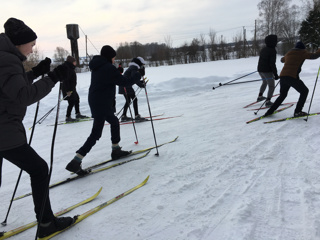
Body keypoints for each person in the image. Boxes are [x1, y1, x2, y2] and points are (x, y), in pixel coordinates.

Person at [0, 18, 74, 237]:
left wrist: (35, 73)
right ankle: (46, 224)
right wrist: (52, 77)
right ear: (19, 43)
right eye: (31, 44)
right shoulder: (8, 61)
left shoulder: (4, 58)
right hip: (4, 131)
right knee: (39, 169)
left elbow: (9, 86)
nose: (33, 48)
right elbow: (22, 95)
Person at [66, 45, 142, 175]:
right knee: (96, 133)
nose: (114, 59)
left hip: (97, 101)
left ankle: (116, 149)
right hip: (102, 103)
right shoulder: (108, 68)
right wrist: (138, 75)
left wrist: (117, 71)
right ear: (109, 57)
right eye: (113, 57)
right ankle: (76, 161)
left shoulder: (99, 66)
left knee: (114, 121)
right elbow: (125, 82)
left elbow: (110, 78)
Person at [264, 41, 320, 117]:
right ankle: (298, 112)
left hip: (283, 76)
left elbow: (282, 60)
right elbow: (315, 56)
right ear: (303, 48)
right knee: (304, 91)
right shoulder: (302, 53)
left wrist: (286, 58)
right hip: (292, 77)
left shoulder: (289, 53)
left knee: (282, 95)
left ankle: (269, 112)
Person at [119, 57, 146, 122]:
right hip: (126, 86)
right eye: (142, 64)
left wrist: (141, 82)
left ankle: (124, 116)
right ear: (139, 63)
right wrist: (141, 85)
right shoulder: (134, 68)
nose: (142, 66)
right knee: (134, 99)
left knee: (128, 100)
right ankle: (137, 116)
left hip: (123, 86)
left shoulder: (132, 67)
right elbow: (135, 79)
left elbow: (133, 79)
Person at [62, 55, 88, 122]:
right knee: (71, 102)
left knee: (76, 99)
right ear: (71, 62)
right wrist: (68, 91)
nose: (75, 63)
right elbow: (66, 81)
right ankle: (68, 117)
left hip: (72, 89)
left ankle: (78, 114)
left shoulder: (70, 68)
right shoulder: (68, 69)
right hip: (69, 90)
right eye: (74, 62)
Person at [257, 34, 279, 107]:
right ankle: (268, 101)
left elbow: (261, 60)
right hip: (267, 71)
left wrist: (261, 69)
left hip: (260, 70)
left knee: (264, 82)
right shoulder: (272, 50)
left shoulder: (264, 49)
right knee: (271, 86)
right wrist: (275, 74)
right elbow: (272, 63)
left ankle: (260, 96)